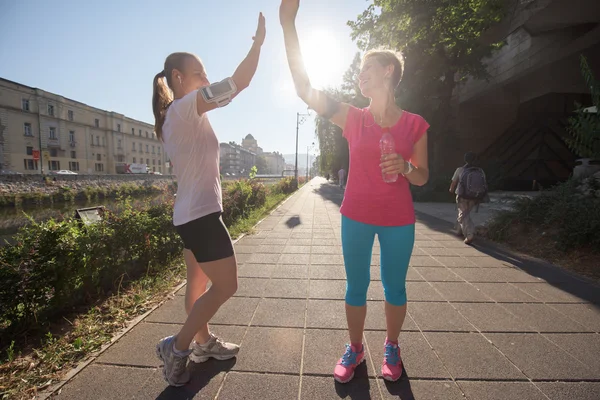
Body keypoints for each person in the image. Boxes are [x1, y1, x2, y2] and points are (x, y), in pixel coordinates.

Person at [280, 0, 430, 383]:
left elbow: (424, 177)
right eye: (359, 70)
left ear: (388, 72)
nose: (360, 75)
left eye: (367, 68)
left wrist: (406, 166)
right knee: (356, 285)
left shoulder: (415, 125)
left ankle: (391, 346)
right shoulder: (353, 117)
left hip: (399, 219)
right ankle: (356, 347)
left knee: (394, 286)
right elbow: (303, 88)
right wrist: (288, 24)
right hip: (356, 215)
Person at [151, 13, 266, 387]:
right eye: (200, 73)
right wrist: (258, 44)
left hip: (189, 214)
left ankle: (202, 344)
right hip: (200, 216)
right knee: (227, 285)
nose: (206, 78)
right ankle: (178, 346)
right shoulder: (185, 109)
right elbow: (238, 83)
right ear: (179, 78)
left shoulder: (177, 117)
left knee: (197, 288)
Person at [449, 152, 488, 245]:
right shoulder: (480, 171)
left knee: (464, 215)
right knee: (465, 213)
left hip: (462, 196)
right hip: (475, 196)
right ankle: (459, 230)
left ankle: (470, 234)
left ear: (465, 159)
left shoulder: (460, 170)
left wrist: (451, 190)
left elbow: (453, 183)